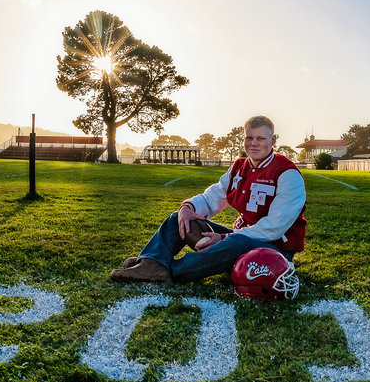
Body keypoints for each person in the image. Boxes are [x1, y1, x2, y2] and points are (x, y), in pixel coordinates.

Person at [111, 115, 306, 283]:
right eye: (249, 138)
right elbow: (214, 197)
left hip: (274, 251)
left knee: (235, 243)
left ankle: (168, 269)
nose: (253, 143)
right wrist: (188, 207)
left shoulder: (287, 173)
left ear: (273, 140)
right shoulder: (239, 167)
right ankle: (152, 263)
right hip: (240, 238)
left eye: (260, 138)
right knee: (179, 217)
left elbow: (274, 226)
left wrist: (224, 238)